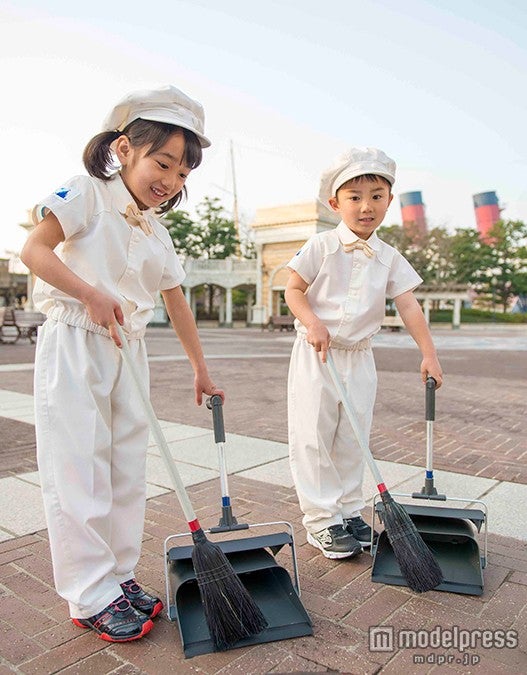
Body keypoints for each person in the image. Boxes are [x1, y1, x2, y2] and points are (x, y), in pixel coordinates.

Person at [21, 85, 224, 642]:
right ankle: (89, 593)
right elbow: (34, 252)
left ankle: (117, 574)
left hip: (128, 351)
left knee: (125, 467)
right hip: (76, 340)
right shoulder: (86, 192)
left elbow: (178, 301)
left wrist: (199, 369)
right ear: (124, 149)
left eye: (183, 173)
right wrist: (88, 292)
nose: (171, 180)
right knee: (78, 467)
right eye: (163, 162)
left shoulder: (157, 231)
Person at [284, 146, 443, 560]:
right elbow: (293, 290)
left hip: (360, 356)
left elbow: (408, 305)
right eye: (354, 197)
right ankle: (322, 521)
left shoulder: (390, 258)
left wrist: (429, 353)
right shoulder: (321, 245)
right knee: (314, 436)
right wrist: (313, 322)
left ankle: (350, 510)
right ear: (336, 203)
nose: (366, 206)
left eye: (376, 195)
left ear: (389, 201)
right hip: (316, 353)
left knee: (354, 436)